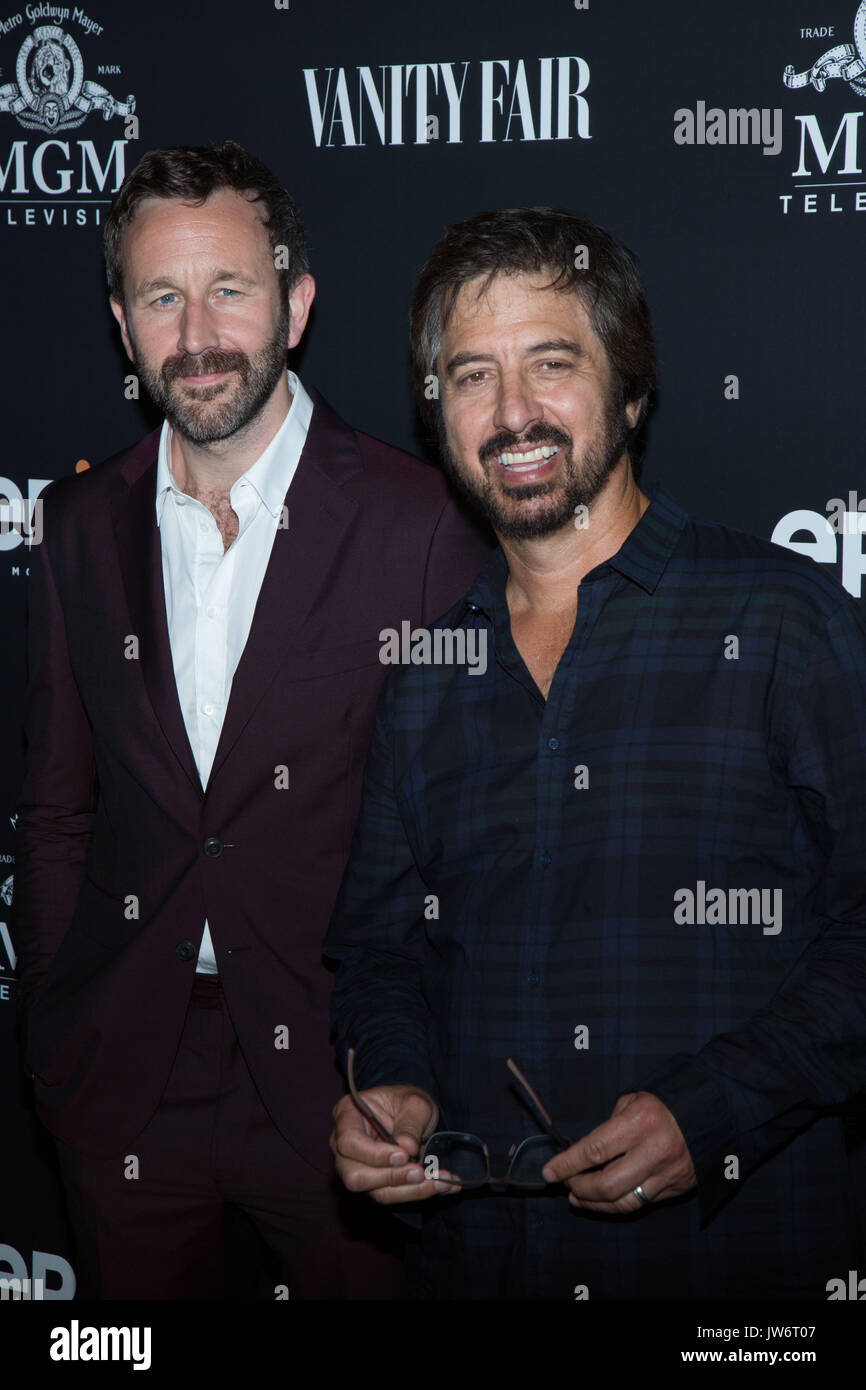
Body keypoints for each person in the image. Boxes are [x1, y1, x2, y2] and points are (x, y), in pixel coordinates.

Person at [326, 206, 866, 1300]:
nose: (512, 411)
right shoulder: (426, 675)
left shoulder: (780, 621)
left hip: (732, 1261)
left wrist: (709, 1110)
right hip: (482, 1261)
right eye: (471, 375)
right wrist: (393, 1084)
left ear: (629, 387)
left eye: (550, 364)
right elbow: (378, 952)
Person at [11, 140, 490, 1300]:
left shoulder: (418, 520)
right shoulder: (79, 523)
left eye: (228, 288)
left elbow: (468, 837)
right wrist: (55, 1034)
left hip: (345, 1084)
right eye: (161, 297)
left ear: (297, 302)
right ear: (123, 328)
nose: (199, 331)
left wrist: (414, 1066)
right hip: (125, 1070)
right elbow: (59, 807)